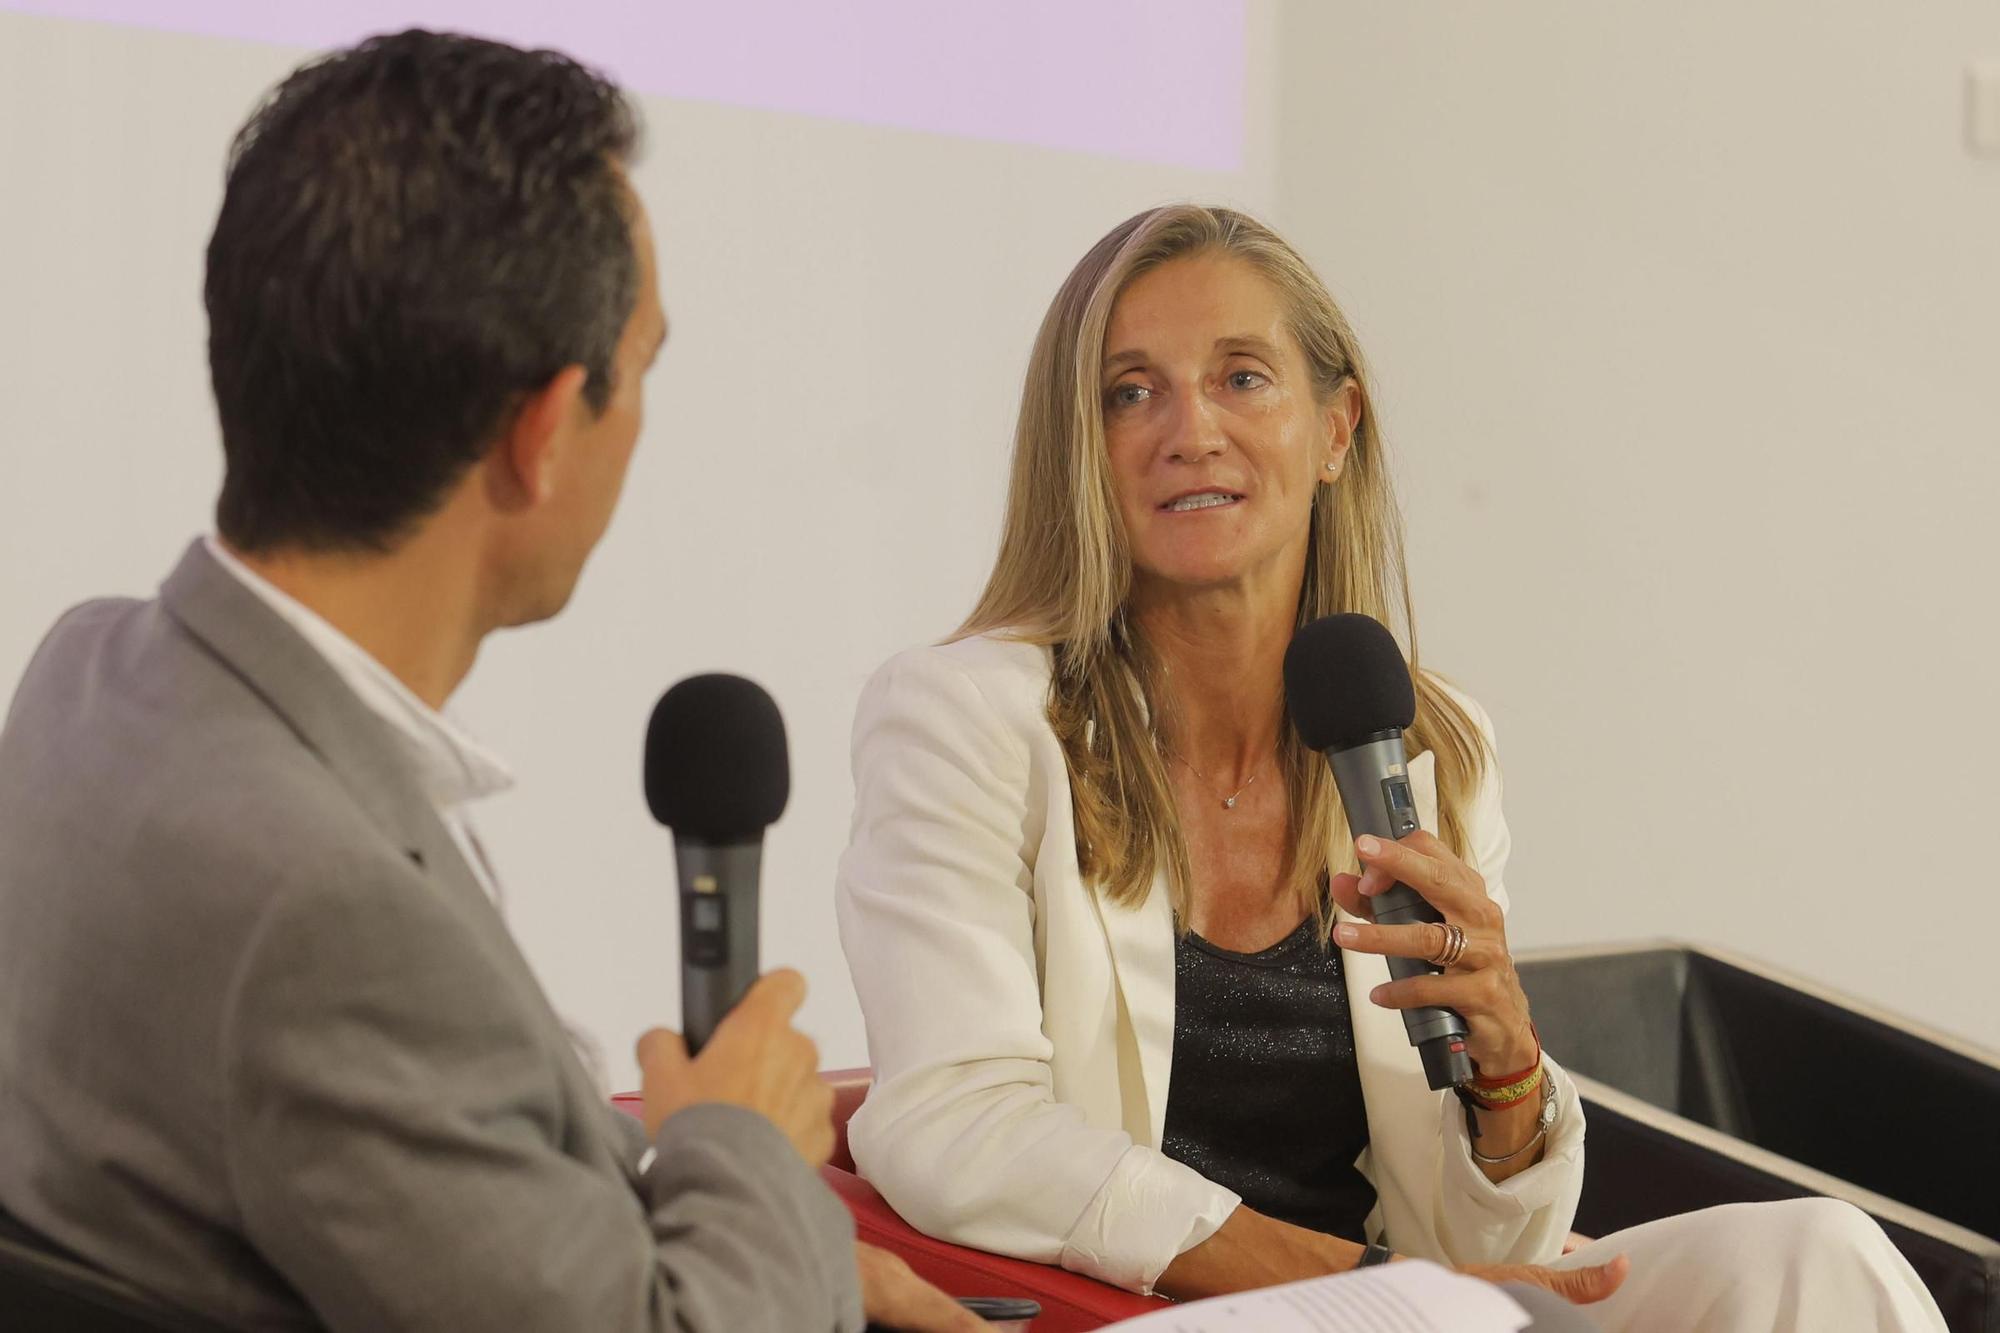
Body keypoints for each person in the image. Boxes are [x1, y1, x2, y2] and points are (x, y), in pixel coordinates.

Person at [0, 30, 978, 1333]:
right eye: (638, 375)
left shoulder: (91, 668)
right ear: (539, 435)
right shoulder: (327, 916)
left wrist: (759, 1242)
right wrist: (740, 1150)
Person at [834, 204, 1947, 1331]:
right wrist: (1345, 1285)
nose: (1188, 429)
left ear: (1334, 429)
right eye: (1131, 391)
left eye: (1240, 378)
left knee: (1817, 1251)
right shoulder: (967, 717)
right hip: (1152, 1308)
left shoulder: (1429, 745)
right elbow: (953, 1118)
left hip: (1395, 1302)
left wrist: (1507, 1077)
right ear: (1080, 446)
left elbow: (1484, 1250)